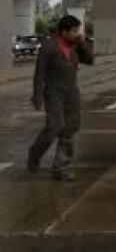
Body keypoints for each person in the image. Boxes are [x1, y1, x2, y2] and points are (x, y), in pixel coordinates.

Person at [28, 15, 93, 181]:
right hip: (53, 92)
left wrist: (83, 43)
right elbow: (39, 74)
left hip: (71, 92)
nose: (78, 33)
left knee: (69, 129)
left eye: (78, 30)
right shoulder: (48, 47)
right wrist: (37, 96)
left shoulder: (76, 45)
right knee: (54, 127)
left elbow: (90, 60)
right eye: (74, 31)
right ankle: (35, 153)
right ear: (63, 32)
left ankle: (61, 168)